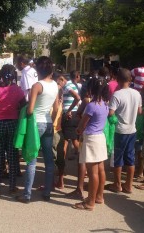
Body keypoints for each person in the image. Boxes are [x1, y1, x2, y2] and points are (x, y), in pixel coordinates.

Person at [15, 56, 59, 203]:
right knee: (48, 160)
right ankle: (47, 192)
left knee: (31, 159)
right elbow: (57, 108)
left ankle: (27, 194)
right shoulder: (55, 85)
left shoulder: (37, 86)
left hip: (36, 124)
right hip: (48, 123)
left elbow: (30, 109)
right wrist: (51, 120)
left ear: (38, 69)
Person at [0, 64, 25, 196]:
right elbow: (23, 107)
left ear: (1, 76)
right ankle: (12, 187)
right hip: (13, 124)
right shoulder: (18, 90)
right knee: (13, 157)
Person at [72, 78, 109, 211]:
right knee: (101, 169)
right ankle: (99, 196)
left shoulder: (91, 105)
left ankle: (90, 202)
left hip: (91, 138)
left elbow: (82, 124)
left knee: (92, 172)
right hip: (100, 137)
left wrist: (78, 130)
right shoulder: (105, 104)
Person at [106, 68, 142, 193]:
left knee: (118, 159)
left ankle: (117, 185)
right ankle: (128, 185)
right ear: (130, 79)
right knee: (130, 158)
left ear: (117, 80)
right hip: (132, 130)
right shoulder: (137, 93)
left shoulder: (117, 94)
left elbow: (110, 113)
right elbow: (140, 111)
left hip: (120, 131)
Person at [61, 70, 84, 199]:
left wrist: (69, 110)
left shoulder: (68, 85)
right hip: (77, 115)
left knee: (66, 141)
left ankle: (62, 169)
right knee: (74, 140)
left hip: (69, 115)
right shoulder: (79, 85)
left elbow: (77, 98)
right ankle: (82, 162)